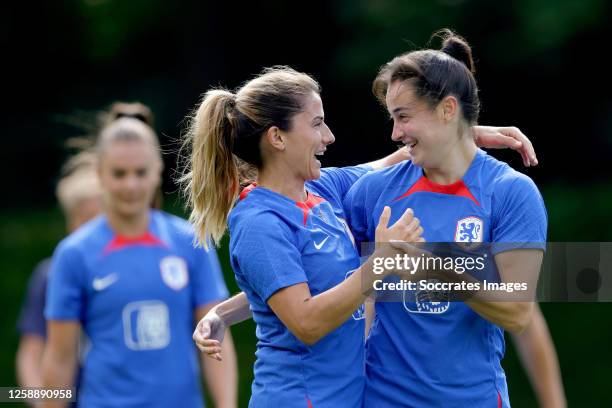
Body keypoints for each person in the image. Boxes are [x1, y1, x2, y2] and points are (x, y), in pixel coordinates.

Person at [185, 66, 541, 407]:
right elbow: (306, 320)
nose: (329, 136)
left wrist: (460, 134)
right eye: (317, 124)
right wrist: (383, 263)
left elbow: (387, 163)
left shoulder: (322, 192)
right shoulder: (260, 220)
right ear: (277, 137)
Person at [341, 29, 548, 407]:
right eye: (392, 118)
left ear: (448, 109)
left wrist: (434, 272)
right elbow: (301, 198)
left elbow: (518, 312)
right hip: (382, 399)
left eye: (403, 117)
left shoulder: (509, 192)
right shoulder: (373, 191)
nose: (394, 133)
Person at [42, 103, 237, 408]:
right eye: (119, 174)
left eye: (140, 172)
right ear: (100, 175)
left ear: (158, 170)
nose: (130, 185)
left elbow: (215, 337)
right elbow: (59, 359)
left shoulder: (190, 241)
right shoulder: (73, 254)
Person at [16, 151, 102, 397]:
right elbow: (30, 354)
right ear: (70, 222)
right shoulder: (49, 275)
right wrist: (42, 400)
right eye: (86, 219)